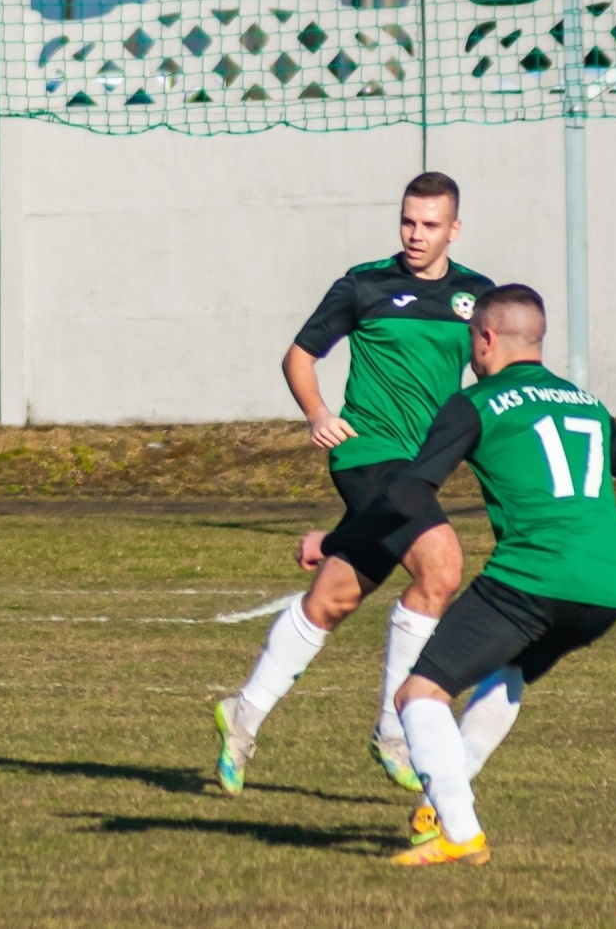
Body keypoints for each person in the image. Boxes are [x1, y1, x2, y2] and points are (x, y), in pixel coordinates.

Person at [300, 284, 616, 865]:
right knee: (508, 674)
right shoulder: (586, 405)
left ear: (483, 338)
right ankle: (438, 810)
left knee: (418, 695)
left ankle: (460, 832)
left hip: (530, 579)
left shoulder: (476, 403)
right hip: (604, 592)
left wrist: (333, 541)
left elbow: (406, 496)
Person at [215, 172, 495, 795]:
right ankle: (396, 731)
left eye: (430, 224)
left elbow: (492, 371)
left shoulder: (477, 295)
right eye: (408, 222)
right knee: (442, 568)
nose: (416, 234)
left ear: (454, 228)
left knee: (333, 600)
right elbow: (299, 356)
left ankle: (243, 714)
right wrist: (318, 413)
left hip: (417, 470)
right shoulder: (364, 284)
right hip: (367, 454)